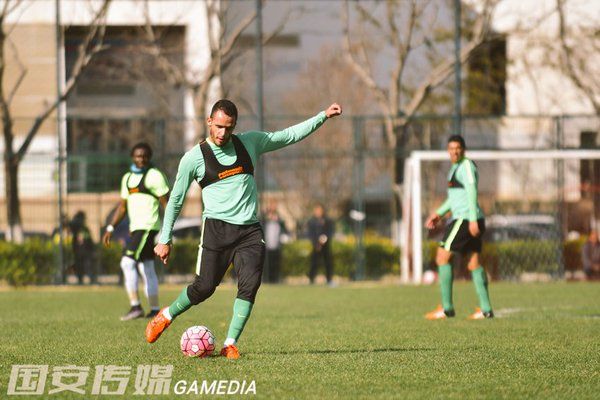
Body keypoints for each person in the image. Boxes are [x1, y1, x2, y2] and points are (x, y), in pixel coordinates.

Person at [146, 99, 343, 359]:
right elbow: (176, 200)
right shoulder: (193, 158)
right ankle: (166, 315)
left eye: (228, 128)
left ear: (235, 125)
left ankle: (230, 343)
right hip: (216, 230)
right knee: (203, 288)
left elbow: (288, 136)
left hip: (249, 231)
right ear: (209, 121)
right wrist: (165, 238)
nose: (222, 133)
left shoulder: (249, 142)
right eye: (217, 126)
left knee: (249, 285)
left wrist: (322, 116)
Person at [424, 135, 494, 320]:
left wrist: (471, 220)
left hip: (464, 220)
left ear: (463, 149)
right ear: (448, 150)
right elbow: (454, 199)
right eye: (451, 148)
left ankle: (447, 308)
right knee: (474, 263)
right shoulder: (455, 168)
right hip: (468, 219)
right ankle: (486, 310)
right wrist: (438, 214)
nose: (454, 151)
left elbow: (472, 192)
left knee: (442, 257)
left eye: (458, 148)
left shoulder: (466, 166)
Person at [102, 142, 170, 321]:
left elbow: (167, 204)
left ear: (149, 157)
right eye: (138, 156)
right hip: (136, 229)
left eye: (144, 156)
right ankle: (155, 310)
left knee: (126, 262)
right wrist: (111, 227)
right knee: (146, 267)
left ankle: (135, 307)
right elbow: (122, 207)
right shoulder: (127, 178)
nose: (141, 159)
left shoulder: (155, 176)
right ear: (132, 157)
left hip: (148, 227)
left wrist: (167, 231)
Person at [307, 203, 335, 286]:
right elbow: (310, 234)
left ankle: (329, 279)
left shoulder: (327, 220)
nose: (317, 212)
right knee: (314, 262)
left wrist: (325, 239)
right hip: (316, 246)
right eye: (316, 210)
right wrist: (316, 243)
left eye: (319, 210)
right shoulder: (311, 221)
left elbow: (330, 231)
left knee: (328, 262)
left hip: (326, 245)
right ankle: (311, 279)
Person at [261, 202, 288, 283]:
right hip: (267, 246)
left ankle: (276, 280)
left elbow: (284, 230)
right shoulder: (264, 218)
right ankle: (266, 279)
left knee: (276, 264)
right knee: (266, 264)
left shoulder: (279, 219)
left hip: (277, 246)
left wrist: (277, 220)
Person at [70, 211, 96, 284]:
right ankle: (80, 280)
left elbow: (90, 241)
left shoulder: (85, 229)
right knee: (79, 266)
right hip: (78, 251)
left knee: (88, 266)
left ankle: (92, 280)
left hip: (86, 251)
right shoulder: (75, 228)